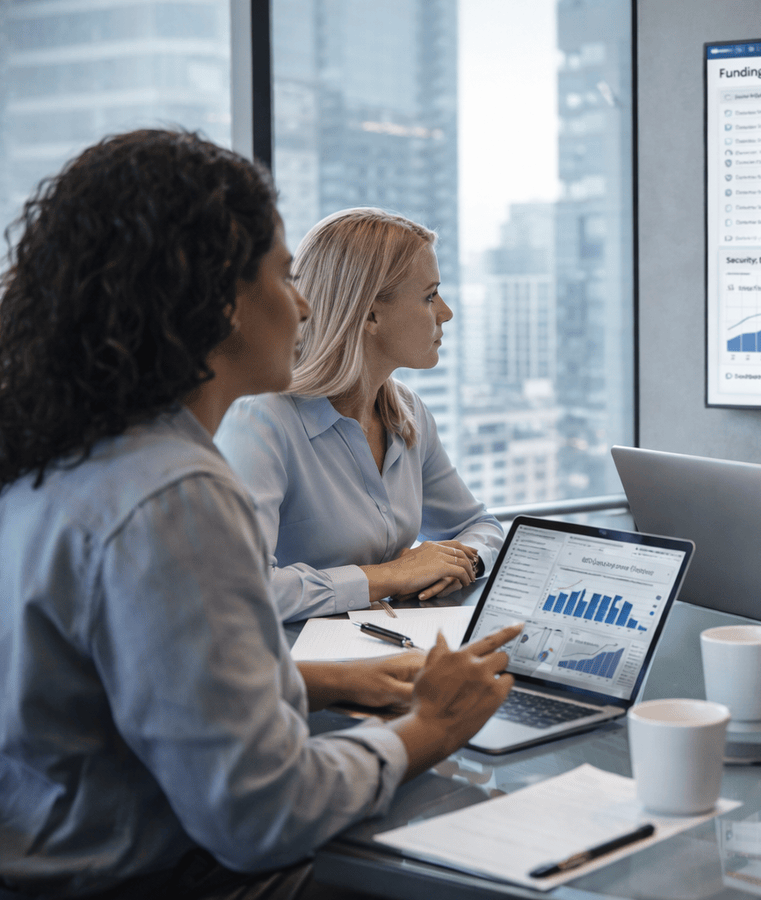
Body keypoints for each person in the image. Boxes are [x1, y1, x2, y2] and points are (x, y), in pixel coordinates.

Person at [0, 130, 521, 898]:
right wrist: (429, 728)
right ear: (218, 301)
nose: (305, 302)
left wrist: (316, 681)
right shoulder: (175, 496)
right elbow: (261, 814)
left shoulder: (70, 456)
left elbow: (133, 692)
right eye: (283, 274)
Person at [215, 208, 503, 623]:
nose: (445, 312)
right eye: (429, 295)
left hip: (388, 649)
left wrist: (466, 562)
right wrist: (387, 577)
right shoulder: (262, 421)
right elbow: (244, 590)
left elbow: (478, 524)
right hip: (300, 674)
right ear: (369, 314)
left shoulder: (408, 413)